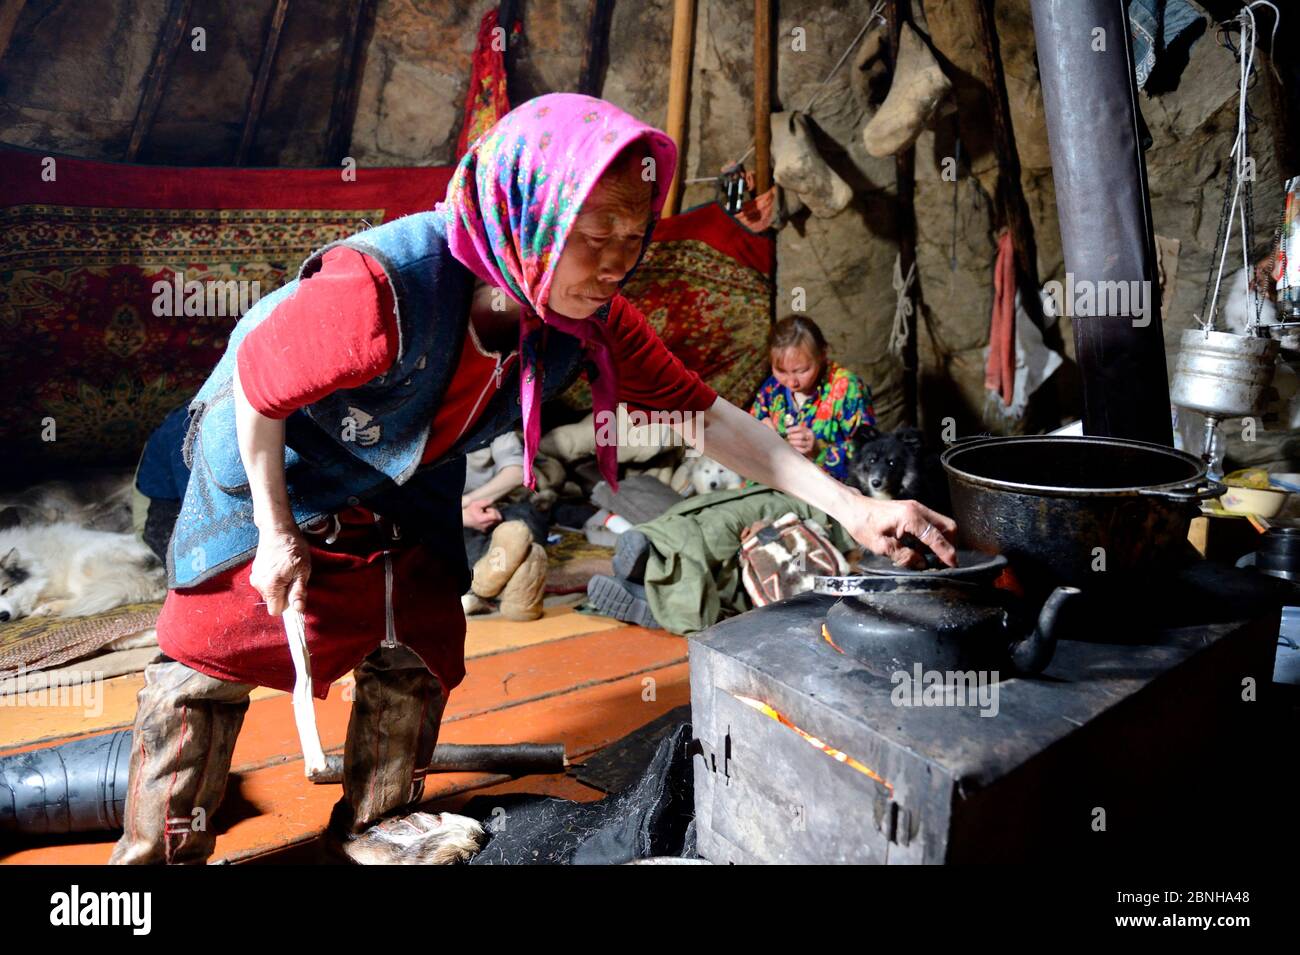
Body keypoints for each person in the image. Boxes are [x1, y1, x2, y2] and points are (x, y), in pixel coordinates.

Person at [109, 92, 957, 865]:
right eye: (595, 236)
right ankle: (155, 854)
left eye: (633, 240)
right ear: (530, 213)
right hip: (267, 454)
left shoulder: (584, 319)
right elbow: (258, 383)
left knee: (420, 636)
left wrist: (853, 507)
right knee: (212, 651)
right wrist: (273, 529)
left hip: (400, 474)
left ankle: (375, 822)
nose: (618, 262)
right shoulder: (380, 291)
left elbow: (707, 416)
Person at [750, 316, 873, 481]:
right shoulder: (773, 388)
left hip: (828, 490)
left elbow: (870, 453)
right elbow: (745, 433)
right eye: (781, 371)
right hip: (773, 483)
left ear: (822, 354)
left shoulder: (847, 388)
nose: (791, 382)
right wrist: (756, 429)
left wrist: (820, 449)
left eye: (802, 371)